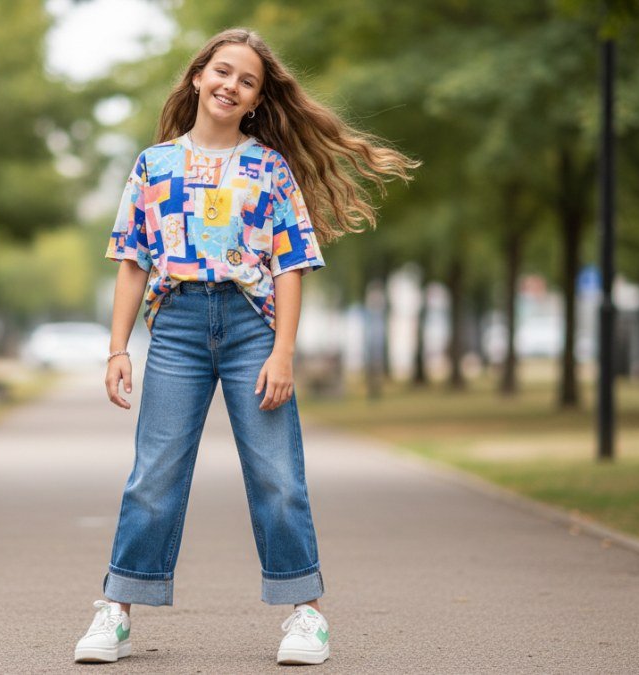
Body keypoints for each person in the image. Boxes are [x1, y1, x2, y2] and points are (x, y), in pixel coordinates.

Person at [74, 27, 418, 666]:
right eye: (223, 72)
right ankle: (117, 611)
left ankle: (306, 615)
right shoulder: (154, 165)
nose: (231, 85)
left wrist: (282, 352)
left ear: (258, 99)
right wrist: (118, 349)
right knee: (154, 474)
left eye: (247, 81)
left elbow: (290, 265)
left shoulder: (269, 168)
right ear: (198, 76)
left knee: (276, 474)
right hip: (176, 328)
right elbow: (131, 260)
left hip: (251, 330)